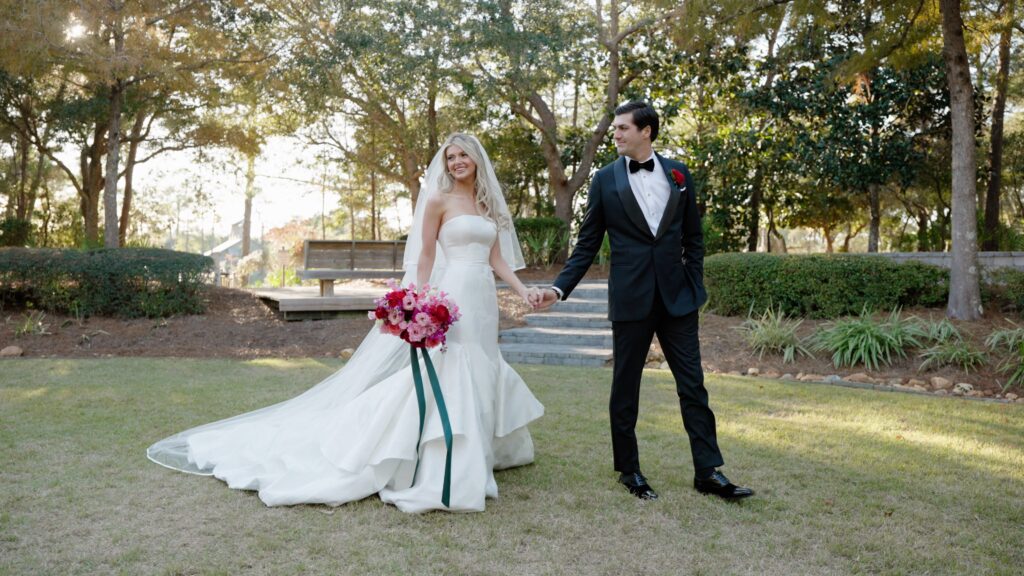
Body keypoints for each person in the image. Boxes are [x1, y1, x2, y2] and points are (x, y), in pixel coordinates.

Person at [148, 133, 545, 513]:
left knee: (480, 364)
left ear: (477, 159)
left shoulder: (485, 203)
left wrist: (523, 290)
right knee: (449, 367)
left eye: (463, 155)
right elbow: (424, 256)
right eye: (450, 157)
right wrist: (418, 302)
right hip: (451, 293)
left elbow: (496, 261)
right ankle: (439, 459)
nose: (457, 162)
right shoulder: (438, 200)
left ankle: (481, 451)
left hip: (482, 300)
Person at [531, 101, 753, 501]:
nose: (614, 134)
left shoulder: (679, 174)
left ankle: (709, 472)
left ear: (646, 131)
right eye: (615, 128)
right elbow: (586, 245)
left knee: (693, 386)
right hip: (631, 298)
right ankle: (629, 470)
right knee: (625, 386)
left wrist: (693, 285)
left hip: (678, 300)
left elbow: (693, 239)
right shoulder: (604, 180)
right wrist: (558, 289)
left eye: (622, 128)